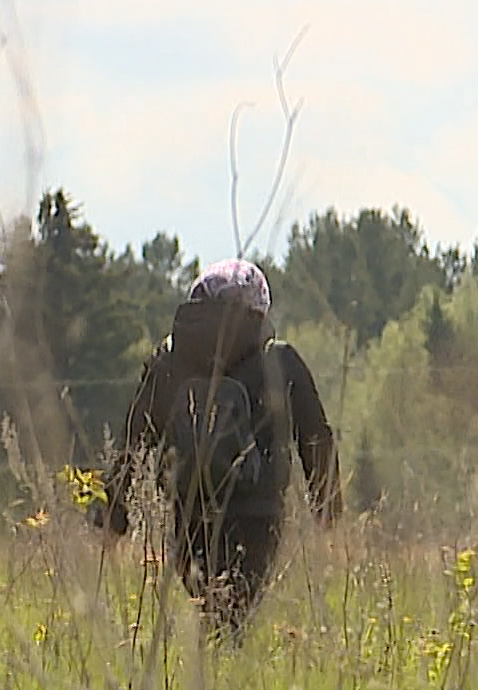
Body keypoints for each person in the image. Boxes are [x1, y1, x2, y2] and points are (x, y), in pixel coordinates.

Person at [91, 259, 342, 641]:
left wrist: (113, 519)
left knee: (211, 614)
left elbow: (133, 440)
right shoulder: (280, 360)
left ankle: (205, 683)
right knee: (231, 623)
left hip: (189, 513)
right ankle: (220, 684)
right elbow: (316, 438)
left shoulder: (169, 361)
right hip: (257, 517)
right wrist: (328, 511)